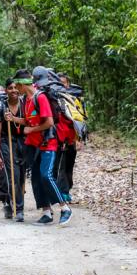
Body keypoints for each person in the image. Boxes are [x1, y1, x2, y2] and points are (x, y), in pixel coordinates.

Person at [11, 68, 72, 226]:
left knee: (46, 175)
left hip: (47, 143)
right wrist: (14, 119)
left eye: (17, 86)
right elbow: (28, 121)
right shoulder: (26, 100)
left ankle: (64, 208)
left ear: (23, 85)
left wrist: (31, 130)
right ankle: (46, 212)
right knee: (37, 179)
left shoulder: (41, 97)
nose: (16, 89)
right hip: (33, 145)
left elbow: (49, 122)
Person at [0, 78, 25, 222]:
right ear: (6, 90)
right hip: (7, 142)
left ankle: (9, 202)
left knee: (22, 177)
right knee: (13, 175)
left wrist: (14, 119)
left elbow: (30, 121)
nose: (13, 90)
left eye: (15, 87)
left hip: (24, 142)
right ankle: (18, 209)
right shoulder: (1, 107)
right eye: (10, 88)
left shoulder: (25, 105)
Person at [55, 72, 80, 203]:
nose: (62, 86)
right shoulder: (54, 99)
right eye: (59, 83)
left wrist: (78, 138)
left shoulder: (74, 100)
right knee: (61, 166)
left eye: (64, 83)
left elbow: (79, 120)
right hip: (60, 138)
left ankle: (67, 190)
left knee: (69, 166)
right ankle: (62, 193)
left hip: (71, 138)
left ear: (68, 84)